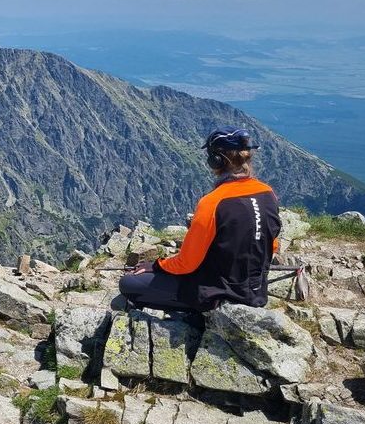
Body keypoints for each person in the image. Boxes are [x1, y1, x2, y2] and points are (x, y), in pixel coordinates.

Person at [118, 127, 281, 313]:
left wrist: (156, 266)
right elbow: (272, 246)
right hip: (256, 292)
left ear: (215, 160)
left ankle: (197, 314)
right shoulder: (268, 194)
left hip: (216, 294)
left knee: (129, 283)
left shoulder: (213, 202)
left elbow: (187, 263)